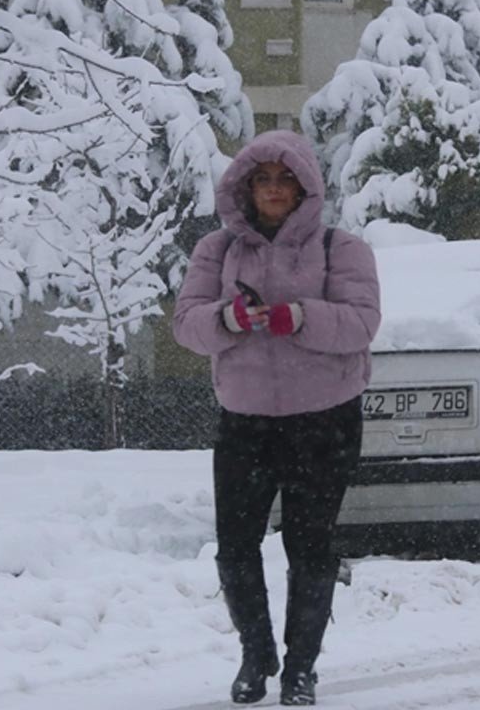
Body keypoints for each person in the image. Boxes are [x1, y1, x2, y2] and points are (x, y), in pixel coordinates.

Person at [172, 130, 381, 706]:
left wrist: (300, 317)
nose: (272, 189)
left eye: (283, 179)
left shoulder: (343, 249)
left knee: (310, 548)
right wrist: (231, 319)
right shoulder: (216, 251)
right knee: (235, 547)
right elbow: (187, 324)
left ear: (304, 186)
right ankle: (255, 654)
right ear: (244, 187)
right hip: (246, 422)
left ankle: (300, 669)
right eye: (261, 179)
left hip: (325, 421)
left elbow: (361, 324)